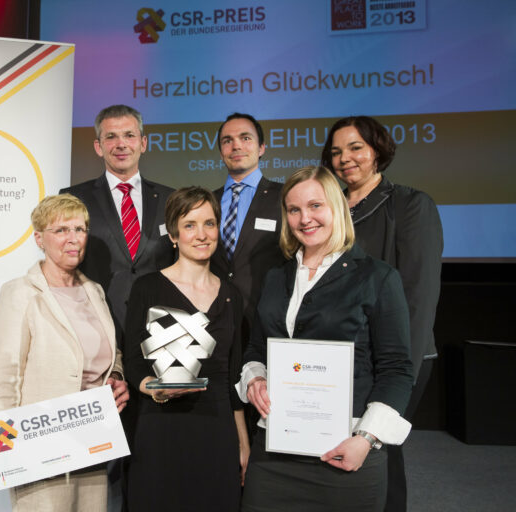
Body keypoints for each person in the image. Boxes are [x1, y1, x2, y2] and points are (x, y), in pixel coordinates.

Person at [237, 166, 414, 511]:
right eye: (294, 209)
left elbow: (396, 369)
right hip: (274, 452)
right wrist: (255, 377)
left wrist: (365, 439)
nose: (305, 218)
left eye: (315, 206)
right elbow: (257, 348)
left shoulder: (377, 278)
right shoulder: (276, 276)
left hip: (346, 451)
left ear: (337, 207)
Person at [0, 194, 130, 512]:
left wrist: (117, 375)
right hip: (38, 450)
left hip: (92, 444)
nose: (73, 238)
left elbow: (111, 351)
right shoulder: (20, 293)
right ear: (39, 238)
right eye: (61, 230)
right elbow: (4, 377)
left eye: (79, 229)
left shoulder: (94, 291)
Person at [321, 116, 443, 512]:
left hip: (396, 358)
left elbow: (419, 296)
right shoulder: (328, 208)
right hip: (341, 357)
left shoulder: (410, 205)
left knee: (379, 454)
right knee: (339, 457)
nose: (345, 158)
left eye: (356, 147)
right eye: (336, 152)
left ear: (377, 150)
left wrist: (400, 369)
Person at [124, 187, 249, 512]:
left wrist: (243, 443)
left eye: (209, 224)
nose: (202, 234)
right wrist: (154, 389)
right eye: (190, 225)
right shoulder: (147, 288)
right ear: (174, 235)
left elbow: (233, 378)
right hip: (161, 430)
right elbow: (134, 362)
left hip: (216, 432)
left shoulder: (231, 295)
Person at [61, 104, 174, 330]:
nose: (121, 144)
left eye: (129, 135)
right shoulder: (73, 198)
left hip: (160, 324)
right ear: (98, 147)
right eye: (111, 137)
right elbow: (63, 263)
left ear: (143, 143)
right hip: (94, 323)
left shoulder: (170, 199)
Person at [211, 112, 285, 332]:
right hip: (214, 321)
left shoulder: (285, 197)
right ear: (221, 152)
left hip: (266, 320)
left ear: (261, 148)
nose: (236, 146)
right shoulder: (207, 202)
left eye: (245, 138)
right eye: (227, 141)